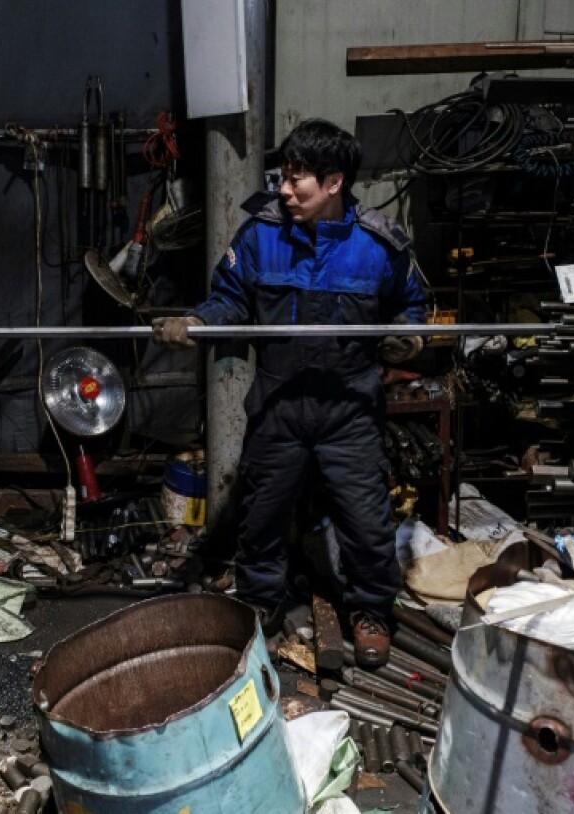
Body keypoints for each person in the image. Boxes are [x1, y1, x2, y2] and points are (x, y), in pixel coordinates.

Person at [151, 119, 428, 668]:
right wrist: (196, 324)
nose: (283, 189)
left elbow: (411, 308)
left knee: (366, 521)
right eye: (283, 177)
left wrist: (407, 340)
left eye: (297, 180)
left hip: (349, 410)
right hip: (278, 405)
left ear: (334, 183)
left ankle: (371, 611)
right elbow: (229, 300)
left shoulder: (380, 245)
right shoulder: (261, 234)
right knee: (262, 517)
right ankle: (258, 606)